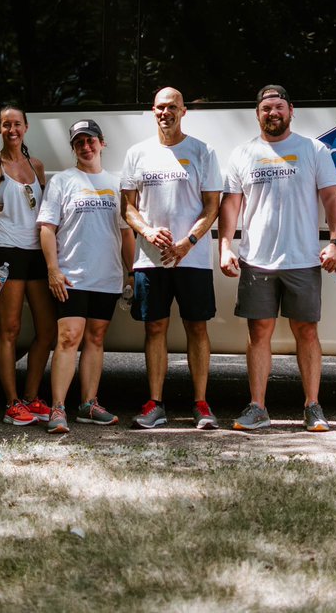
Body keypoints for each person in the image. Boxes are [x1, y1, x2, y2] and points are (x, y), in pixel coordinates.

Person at [218, 85, 336, 432]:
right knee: (258, 332)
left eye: (279, 107)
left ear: (291, 110)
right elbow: (231, 204)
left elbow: (332, 198)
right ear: (257, 114)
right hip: (256, 260)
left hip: (302, 259)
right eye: (265, 108)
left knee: (307, 332)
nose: (272, 113)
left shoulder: (312, 149)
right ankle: (257, 407)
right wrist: (225, 245)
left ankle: (313, 406)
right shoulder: (243, 153)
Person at [121, 87, 222, 430]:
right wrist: (148, 232)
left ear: (183, 111)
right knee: (155, 328)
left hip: (191, 258)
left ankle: (201, 404)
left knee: (197, 327)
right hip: (150, 260)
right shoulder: (137, 153)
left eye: (173, 107)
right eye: (161, 108)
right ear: (153, 111)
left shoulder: (202, 152)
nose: (166, 113)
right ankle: (155, 404)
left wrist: (188, 241)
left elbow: (212, 207)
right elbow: (128, 207)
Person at [37, 119, 135, 433]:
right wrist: (53, 270)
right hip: (72, 276)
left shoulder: (117, 183)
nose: (86, 147)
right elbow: (47, 230)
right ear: (74, 148)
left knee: (95, 339)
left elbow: (126, 233)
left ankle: (88, 404)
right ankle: (58, 408)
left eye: (91, 140)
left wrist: (130, 273)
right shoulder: (62, 181)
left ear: (102, 143)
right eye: (79, 142)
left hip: (106, 277)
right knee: (68, 339)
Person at [0, 105, 55, 426]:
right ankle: (11, 404)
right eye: (6, 124)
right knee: (9, 330)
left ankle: (31, 396)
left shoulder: (36, 166)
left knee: (47, 330)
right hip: (6, 252)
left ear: (26, 127)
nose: (12, 129)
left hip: (36, 253)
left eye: (17, 124)